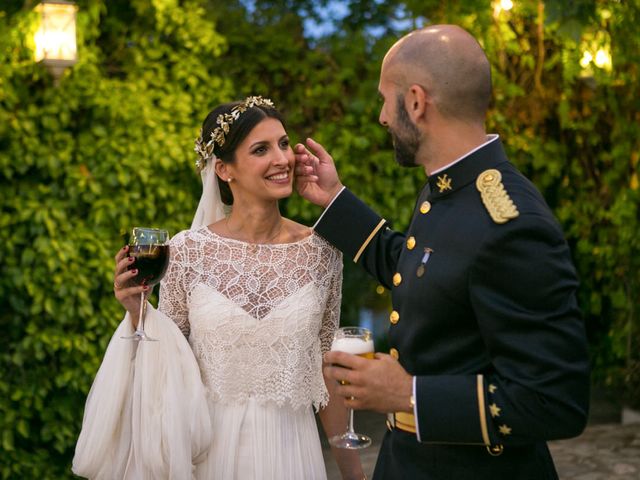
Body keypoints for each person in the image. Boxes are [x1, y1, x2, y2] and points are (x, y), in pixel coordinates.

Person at [294, 25, 590, 479]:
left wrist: (410, 395)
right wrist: (335, 201)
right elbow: (423, 274)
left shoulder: (512, 223)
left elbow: (557, 400)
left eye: (384, 99)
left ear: (415, 101)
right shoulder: (449, 189)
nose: (381, 117)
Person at [73, 96, 364, 479]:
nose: (282, 159)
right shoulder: (186, 251)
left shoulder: (323, 252)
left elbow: (325, 373)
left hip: (293, 454)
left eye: (282, 143)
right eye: (261, 149)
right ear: (224, 170)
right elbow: (166, 363)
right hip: (209, 455)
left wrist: (354, 473)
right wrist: (136, 311)